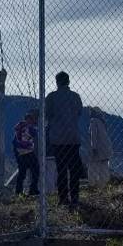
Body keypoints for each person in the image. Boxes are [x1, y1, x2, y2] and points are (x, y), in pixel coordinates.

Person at [45, 71, 83, 208]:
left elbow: (47, 114)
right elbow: (79, 112)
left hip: (58, 139)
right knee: (74, 170)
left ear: (57, 82)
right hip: (73, 137)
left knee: (61, 169)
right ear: (68, 81)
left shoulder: (51, 97)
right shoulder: (75, 97)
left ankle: (63, 198)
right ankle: (75, 197)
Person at [12, 110, 39, 196]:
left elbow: (14, 142)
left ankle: (18, 191)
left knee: (22, 172)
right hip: (28, 152)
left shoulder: (19, 127)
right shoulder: (29, 128)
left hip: (20, 152)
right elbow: (35, 134)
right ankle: (33, 189)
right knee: (35, 170)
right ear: (29, 119)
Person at [86, 107, 113, 187]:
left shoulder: (93, 121)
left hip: (98, 148)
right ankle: (103, 184)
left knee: (92, 166)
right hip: (106, 148)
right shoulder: (102, 122)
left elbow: (93, 135)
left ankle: (92, 184)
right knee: (104, 167)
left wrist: (93, 148)